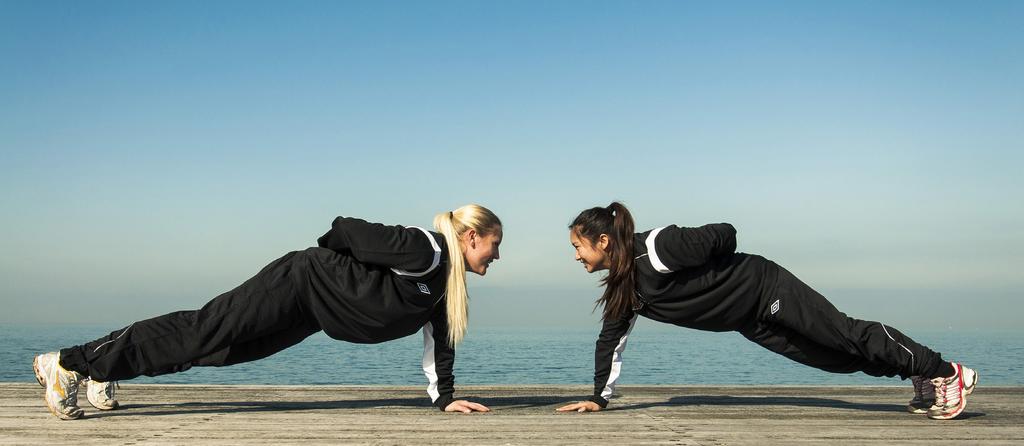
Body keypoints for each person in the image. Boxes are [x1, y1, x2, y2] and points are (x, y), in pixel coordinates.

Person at [34, 205, 502, 419]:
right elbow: (347, 228)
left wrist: (444, 398)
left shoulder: (446, 289)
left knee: (221, 350)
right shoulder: (425, 250)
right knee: (204, 329)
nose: (496, 257)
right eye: (494, 246)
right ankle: (69, 363)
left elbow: (440, 346)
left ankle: (104, 369)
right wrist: (325, 265)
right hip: (297, 283)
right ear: (470, 238)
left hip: (311, 313)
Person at [555, 202, 977, 420]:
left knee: (843, 333)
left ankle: (945, 372)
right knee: (833, 359)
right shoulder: (625, 287)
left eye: (578, 245)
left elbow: (724, 233)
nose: (575, 255)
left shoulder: (658, 248)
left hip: (766, 287)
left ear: (604, 241)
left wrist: (716, 261)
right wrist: (599, 399)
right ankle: (915, 372)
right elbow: (610, 341)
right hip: (750, 321)